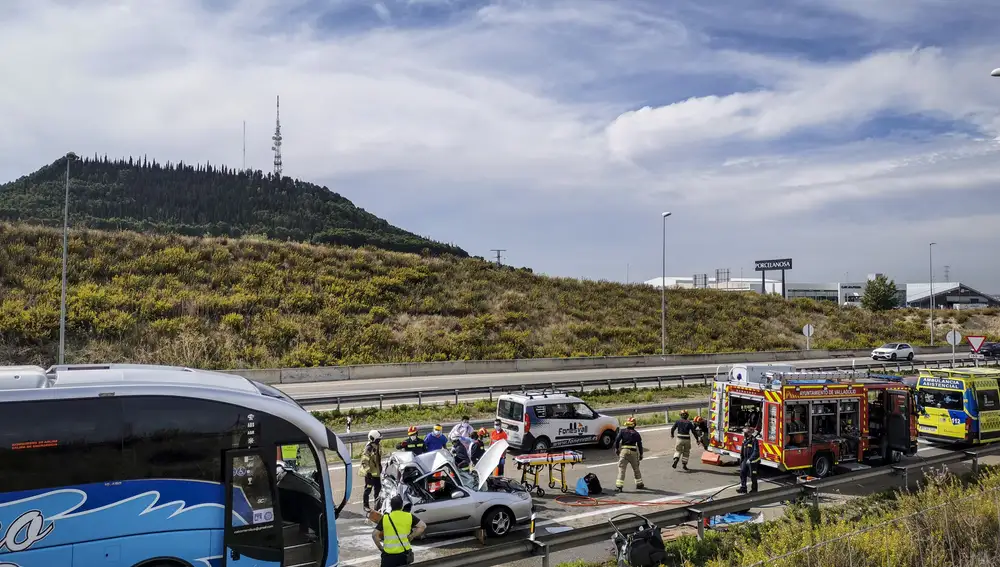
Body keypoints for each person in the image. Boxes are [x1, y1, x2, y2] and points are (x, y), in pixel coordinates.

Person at [373, 495, 426, 567]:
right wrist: (411, 536)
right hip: (404, 554)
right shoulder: (409, 516)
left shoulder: (386, 517)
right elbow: (422, 526)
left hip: (389, 555)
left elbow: (374, 535)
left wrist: (380, 548)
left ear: (391, 506)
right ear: (401, 506)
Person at [614, 416, 644, 492]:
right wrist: (641, 454)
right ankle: (639, 484)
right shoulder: (636, 433)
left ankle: (619, 486)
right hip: (633, 452)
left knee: (621, 469)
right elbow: (640, 445)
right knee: (636, 469)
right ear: (634, 424)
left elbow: (617, 441)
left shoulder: (622, 431)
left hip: (624, 452)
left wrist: (616, 449)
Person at [361, 430, 383, 512]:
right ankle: (365, 505)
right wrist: (368, 473)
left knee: (378, 489)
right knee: (368, 489)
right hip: (370, 474)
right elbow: (364, 462)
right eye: (378, 439)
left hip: (376, 473)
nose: (379, 441)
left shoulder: (377, 446)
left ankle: (377, 506)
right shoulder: (368, 448)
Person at [737, 426, 761, 494]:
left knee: (753, 476)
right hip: (745, 459)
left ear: (750, 433)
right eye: (744, 432)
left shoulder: (754, 440)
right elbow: (742, 451)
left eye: (746, 432)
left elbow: (756, 451)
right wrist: (741, 460)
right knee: (742, 472)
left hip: (752, 461)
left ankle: (754, 490)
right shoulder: (744, 440)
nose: (744, 434)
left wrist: (750, 459)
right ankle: (743, 488)